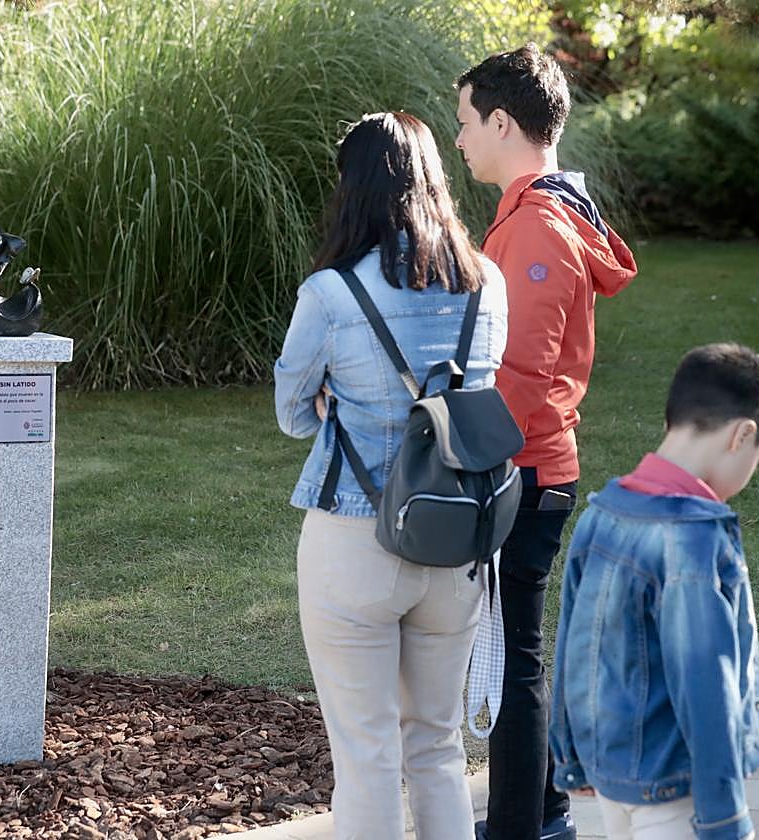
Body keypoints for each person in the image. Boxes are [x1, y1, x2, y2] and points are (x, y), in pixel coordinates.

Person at [274, 111, 508, 840]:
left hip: (355, 533)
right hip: (457, 538)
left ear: (356, 188)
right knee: (437, 747)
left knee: (367, 753)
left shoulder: (332, 294)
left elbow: (292, 411)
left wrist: (332, 410)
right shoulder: (488, 284)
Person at [454, 44, 638, 840]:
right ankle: (547, 809)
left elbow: (519, 378)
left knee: (514, 656)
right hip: (535, 464)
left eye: (465, 123)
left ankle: (523, 827)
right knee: (517, 646)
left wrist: (470, 461)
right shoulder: (545, 213)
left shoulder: (536, 228)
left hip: (520, 470)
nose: (460, 141)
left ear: (502, 122)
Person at [550, 343, 759, 840]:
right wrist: (726, 817)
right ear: (743, 435)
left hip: (615, 779)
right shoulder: (695, 539)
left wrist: (570, 755)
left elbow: (572, 648)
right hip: (677, 790)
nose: (749, 475)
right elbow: (706, 686)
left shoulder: (600, 513)